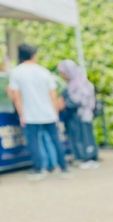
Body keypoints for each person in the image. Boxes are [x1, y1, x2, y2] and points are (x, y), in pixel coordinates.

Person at [8, 44, 68, 180]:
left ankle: (39, 169)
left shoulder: (16, 72)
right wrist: (55, 112)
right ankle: (63, 167)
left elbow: (16, 97)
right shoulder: (44, 71)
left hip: (30, 115)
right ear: (33, 55)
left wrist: (21, 114)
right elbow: (53, 94)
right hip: (49, 114)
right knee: (55, 140)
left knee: (34, 142)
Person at [57, 59, 99, 169]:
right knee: (83, 136)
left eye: (63, 73)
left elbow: (79, 100)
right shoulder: (77, 82)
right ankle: (86, 156)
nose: (62, 75)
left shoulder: (78, 84)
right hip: (82, 115)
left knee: (82, 136)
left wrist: (65, 103)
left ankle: (86, 157)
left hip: (80, 114)